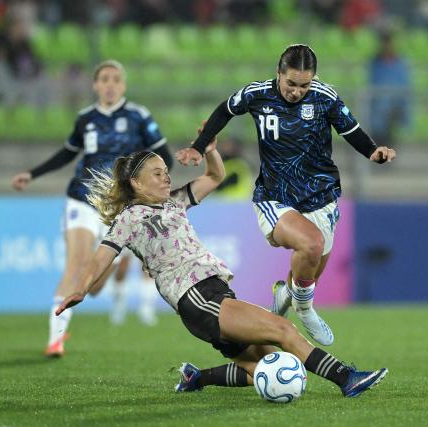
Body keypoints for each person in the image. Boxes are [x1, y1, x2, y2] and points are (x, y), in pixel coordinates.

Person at [54, 142, 388, 398]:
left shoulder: (174, 201)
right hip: (197, 298)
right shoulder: (129, 218)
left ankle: (196, 377)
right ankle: (346, 379)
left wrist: (211, 151)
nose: (165, 176)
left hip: (211, 297)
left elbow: (214, 176)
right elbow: (102, 258)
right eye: (157, 173)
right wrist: (81, 288)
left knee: (268, 364)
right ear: (136, 184)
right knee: (282, 330)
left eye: (165, 171)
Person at [176, 44, 396, 347]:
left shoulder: (325, 97)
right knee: (312, 244)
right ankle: (304, 309)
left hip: (321, 194)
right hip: (275, 196)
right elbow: (224, 110)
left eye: (304, 85)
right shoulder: (257, 94)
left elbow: (351, 129)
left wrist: (373, 151)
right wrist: (198, 146)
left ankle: (286, 295)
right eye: (291, 83)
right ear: (279, 74)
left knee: (310, 265)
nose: (297, 91)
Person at [11, 59, 171, 357]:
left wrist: (153, 191)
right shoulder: (86, 118)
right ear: (96, 85)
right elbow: (66, 154)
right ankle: (55, 339)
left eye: (115, 79)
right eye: (104, 79)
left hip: (117, 208)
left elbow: (165, 158)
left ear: (123, 85)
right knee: (76, 264)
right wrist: (32, 174)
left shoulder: (138, 117)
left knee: (94, 287)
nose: (109, 84)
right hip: (81, 199)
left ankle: (109, 263)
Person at [367, 31, 411, 147]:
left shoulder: (401, 63)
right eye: (384, 42)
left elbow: (404, 91)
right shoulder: (374, 63)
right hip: (378, 115)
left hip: (395, 111)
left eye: (389, 42)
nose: (387, 45)